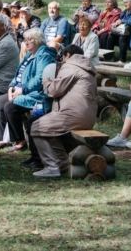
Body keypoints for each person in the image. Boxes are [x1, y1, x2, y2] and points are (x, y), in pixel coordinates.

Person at [30, 45, 97, 177]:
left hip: (73, 114)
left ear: (67, 55)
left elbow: (54, 90)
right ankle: (62, 162)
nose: (61, 61)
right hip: (85, 115)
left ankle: (51, 166)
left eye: (62, 57)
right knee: (49, 130)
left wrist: (47, 82)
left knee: (37, 127)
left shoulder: (71, 66)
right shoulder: (85, 68)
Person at [0, 28, 56, 151]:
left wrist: (22, 90)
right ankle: (4, 139)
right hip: (20, 90)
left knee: (10, 107)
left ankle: (20, 141)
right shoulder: (29, 55)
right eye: (25, 40)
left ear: (38, 41)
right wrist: (11, 87)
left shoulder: (44, 56)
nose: (26, 42)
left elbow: (39, 79)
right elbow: (18, 75)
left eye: (29, 39)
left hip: (36, 94)